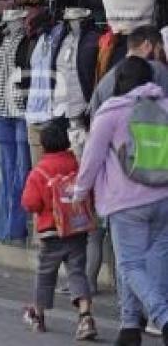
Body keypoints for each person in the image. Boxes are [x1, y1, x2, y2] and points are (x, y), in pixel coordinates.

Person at [74, 57, 168, 346]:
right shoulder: (164, 107)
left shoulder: (111, 112)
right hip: (163, 198)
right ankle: (129, 328)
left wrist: (80, 192)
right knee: (149, 262)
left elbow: (91, 158)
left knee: (129, 265)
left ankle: (164, 318)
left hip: (125, 202)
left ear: (119, 82)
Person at [21, 119, 98, 340]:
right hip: (77, 229)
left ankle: (38, 315)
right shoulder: (77, 166)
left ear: (43, 146)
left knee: (45, 273)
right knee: (77, 272)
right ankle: (85, 316)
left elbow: (30, 203)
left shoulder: (39, 171)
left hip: (51, 232)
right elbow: (88, 193)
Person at [89, 25, 168, 116]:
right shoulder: (158, 69)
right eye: (159, 50)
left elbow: (95, 121)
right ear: (147, 45)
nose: (159, 57)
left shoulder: (103, 83)